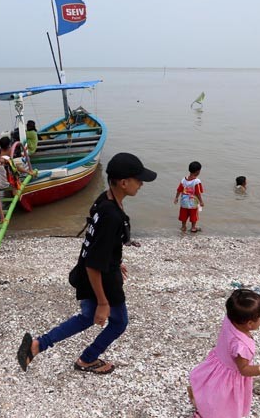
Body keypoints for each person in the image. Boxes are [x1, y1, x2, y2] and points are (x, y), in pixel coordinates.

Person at [17, 153, 157, 375]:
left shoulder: (106, 198)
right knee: (118, 322)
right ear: (123, 182)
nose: (141, 184)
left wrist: (115, 259)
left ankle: (37, 345)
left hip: (93, 270)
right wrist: (103, 302)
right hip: (100, 276)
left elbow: (97, 243)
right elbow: (94, 263)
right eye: (138, 180)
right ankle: (87, 359)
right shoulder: (112, 215)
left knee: (87, 316)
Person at [188, 289, 260, 418]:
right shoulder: (241, 346)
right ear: (250, 323)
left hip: (217, 365)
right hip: (228, 377)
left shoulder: (230, 319)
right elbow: (244, 370)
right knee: (223, 405)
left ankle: (200, 402)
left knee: (210, 391)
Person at [174, 161, 205, 233]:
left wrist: (176, 198)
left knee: (183, 214)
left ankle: (183, 227)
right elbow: (197, 193)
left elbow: (179, 190)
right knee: (193, 215)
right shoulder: (197, 181)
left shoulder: (183, 179)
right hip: (192, 202)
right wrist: (201, 201)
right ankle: (193, 228)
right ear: (198, 171)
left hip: (184, 202)